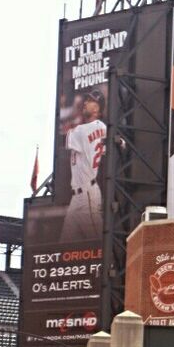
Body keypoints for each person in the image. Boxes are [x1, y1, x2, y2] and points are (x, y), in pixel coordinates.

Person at [60, 89, 106, 241]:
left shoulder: (81, 130)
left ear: (97, 108)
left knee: (98, 244)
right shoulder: (104, 128)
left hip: (87, 195)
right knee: (65, 243)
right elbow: (116, 145)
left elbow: (63, 139)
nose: (85, 103)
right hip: (79, 197)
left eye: (90, 100)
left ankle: (113, 265)